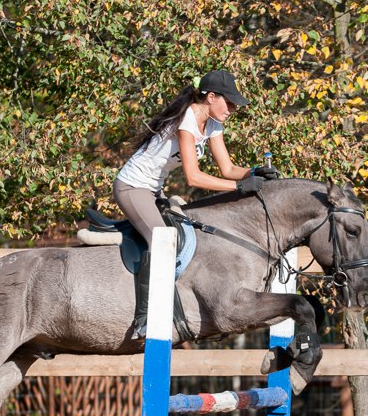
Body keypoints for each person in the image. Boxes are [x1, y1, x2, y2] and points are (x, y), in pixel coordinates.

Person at [113, 69, 278, 336]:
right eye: (230, 102)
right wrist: (239, 187)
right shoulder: (186, 122)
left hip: (153, 191)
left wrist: (254, 172)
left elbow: (227, 168)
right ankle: (146, 318)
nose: (233, 109)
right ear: (211, 97)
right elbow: (193, 177)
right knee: (164, 240)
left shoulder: (213, 124)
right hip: (132, 188)